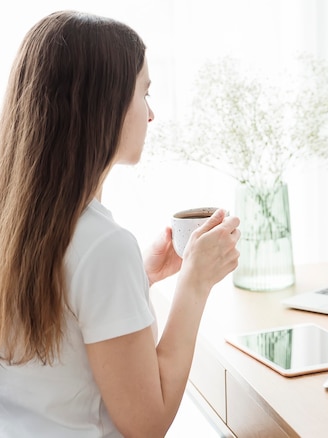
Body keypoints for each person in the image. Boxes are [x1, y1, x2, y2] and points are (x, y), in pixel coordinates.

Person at [0, 10, 240, 437]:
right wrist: (195, 284)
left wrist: (140, 280)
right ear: (102, 105)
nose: (151, 115)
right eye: (144, 94)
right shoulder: (102, 245)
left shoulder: (16, 223)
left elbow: (59, 345)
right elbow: (147, 424)